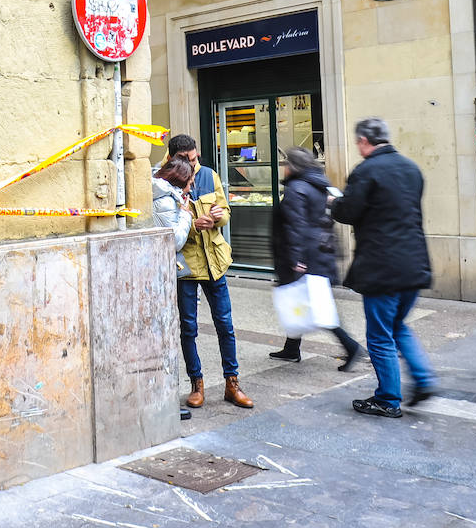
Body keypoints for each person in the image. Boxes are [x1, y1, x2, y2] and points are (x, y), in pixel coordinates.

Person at [330, 118, 436, 418]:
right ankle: (425, 379)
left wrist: (333, 203)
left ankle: (388, 398)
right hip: (414, 262)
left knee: (379, 335)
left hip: (382, 266)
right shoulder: (411, 168)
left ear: (364, 141)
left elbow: (349, 211)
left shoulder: (366, 170)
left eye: (357, 142)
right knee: (397, 326)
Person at [164, 134, 253, 410]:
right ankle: (196, 384)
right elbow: (166, 225)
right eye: (188, 160)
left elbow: (226, 211)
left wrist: (218, 216)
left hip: (214, 261)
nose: (194, 164)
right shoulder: (164, 182)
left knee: (225, 324)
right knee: (188, 328)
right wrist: (193, 225)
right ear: (173, 159)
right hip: (188, 266)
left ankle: (232, 383)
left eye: (195, 158)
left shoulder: (209, 175)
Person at [268, 147, 362, 371]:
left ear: (292, 167)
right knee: (297, 301)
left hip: (306, 255)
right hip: (319, 251)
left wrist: (296, 258)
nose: (285, 168)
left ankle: (351, 347)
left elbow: (295, 226)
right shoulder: (319, 185)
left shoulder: (296, 189)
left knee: (319, 309)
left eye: (286, 164)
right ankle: (291, 348)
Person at [152, 157, 197, 421]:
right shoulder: (167, 201)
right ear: (180, 180)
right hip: (161, 275)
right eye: (189, 182)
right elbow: (175, 241)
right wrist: (186, 215)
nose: (191, 187)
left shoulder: (162, 194)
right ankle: (166, 401)